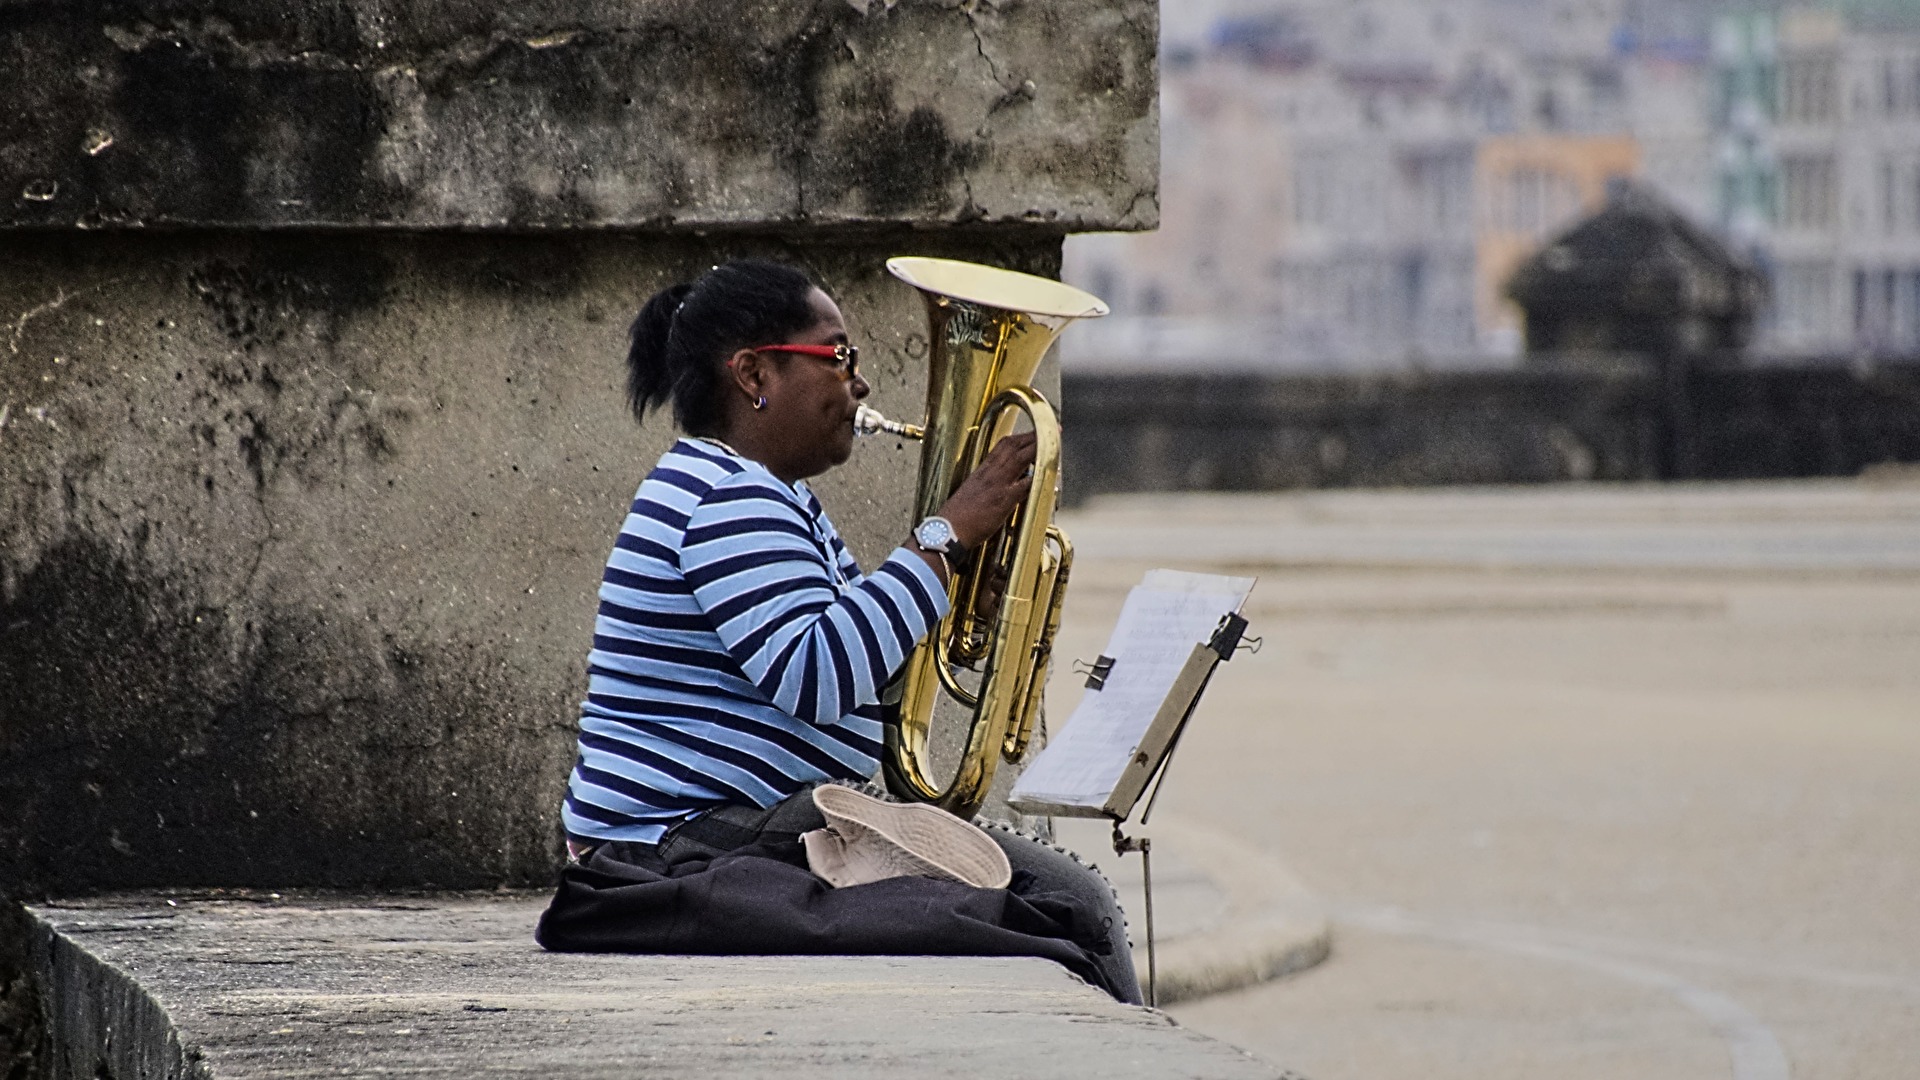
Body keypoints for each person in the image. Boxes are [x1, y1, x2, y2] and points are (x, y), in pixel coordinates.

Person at [541, 260, 1141, 1004]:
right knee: (1071, 901)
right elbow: (818, 678)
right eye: (839, 357)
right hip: (679, 841)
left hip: (719, 827)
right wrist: (942, 539)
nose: (858, 386)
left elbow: (849, 659)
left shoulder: (765, 495)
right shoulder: (730, 498)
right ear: (755, 374)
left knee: (1045, 896)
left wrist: (956, 588)